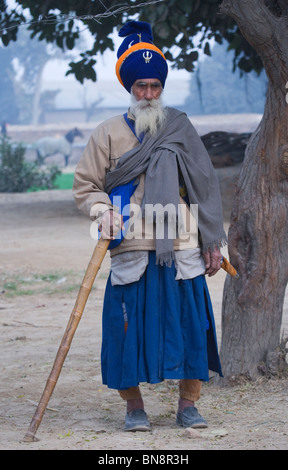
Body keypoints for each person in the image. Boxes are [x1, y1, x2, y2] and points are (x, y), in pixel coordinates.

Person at [73, 21, 227, 432]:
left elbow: (205, 186)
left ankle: (188, 405)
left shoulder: (178, 126)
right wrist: (102, 209)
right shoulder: (106, 133)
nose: (148, 94)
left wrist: (212, 240)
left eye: (154, 87)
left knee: (191, 325)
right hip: (131, 247)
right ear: (129, 87)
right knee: (127, 331)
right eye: (141, 86)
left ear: (162, 88)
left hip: (181, 244)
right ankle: (134, 407)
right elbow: (86, 186)